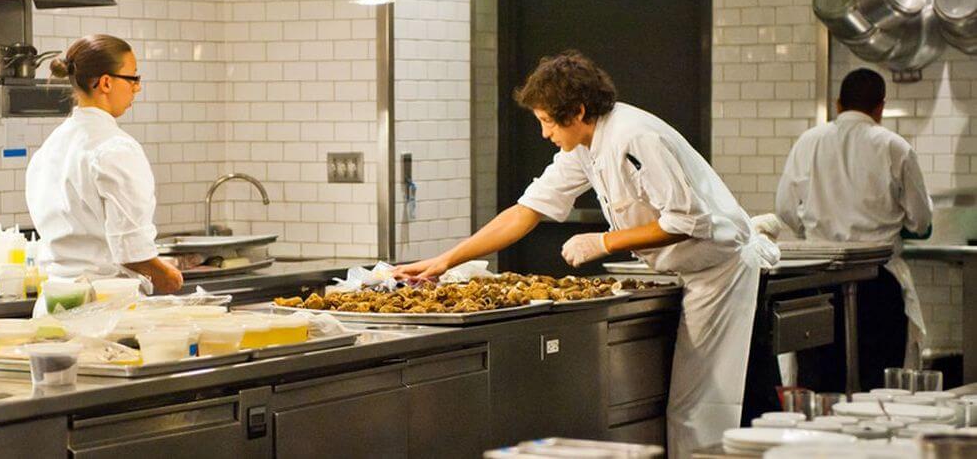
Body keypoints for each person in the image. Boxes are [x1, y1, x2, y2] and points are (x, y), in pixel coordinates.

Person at [394, 51, 778, 458]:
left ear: (576, 111)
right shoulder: (585, 146)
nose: (544, 134)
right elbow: (526, 211)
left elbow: (687, 220)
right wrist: (445, 260)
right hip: (689, 271)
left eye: (546, 121)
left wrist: (604, 242)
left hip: (719, 273)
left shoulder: (634, 136)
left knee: (699, 407)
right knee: (691, 405)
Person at [769, 68, 932, 391]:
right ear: (880, 107)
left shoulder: (809, 142)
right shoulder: (894, 147)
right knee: (877, 386)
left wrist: (815, 232)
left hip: (820, 281)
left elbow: (785, 207)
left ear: (838, 104)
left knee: (820, 383)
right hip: (877, 281)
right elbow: (921, 220)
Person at [26, 34, 184, 314]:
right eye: (133, 78)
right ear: (106, 82)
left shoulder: (51, 146)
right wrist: (167, 274)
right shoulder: (116, 148)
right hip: (105, 306)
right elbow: (132, 251)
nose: (137, 88)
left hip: (54, 302)